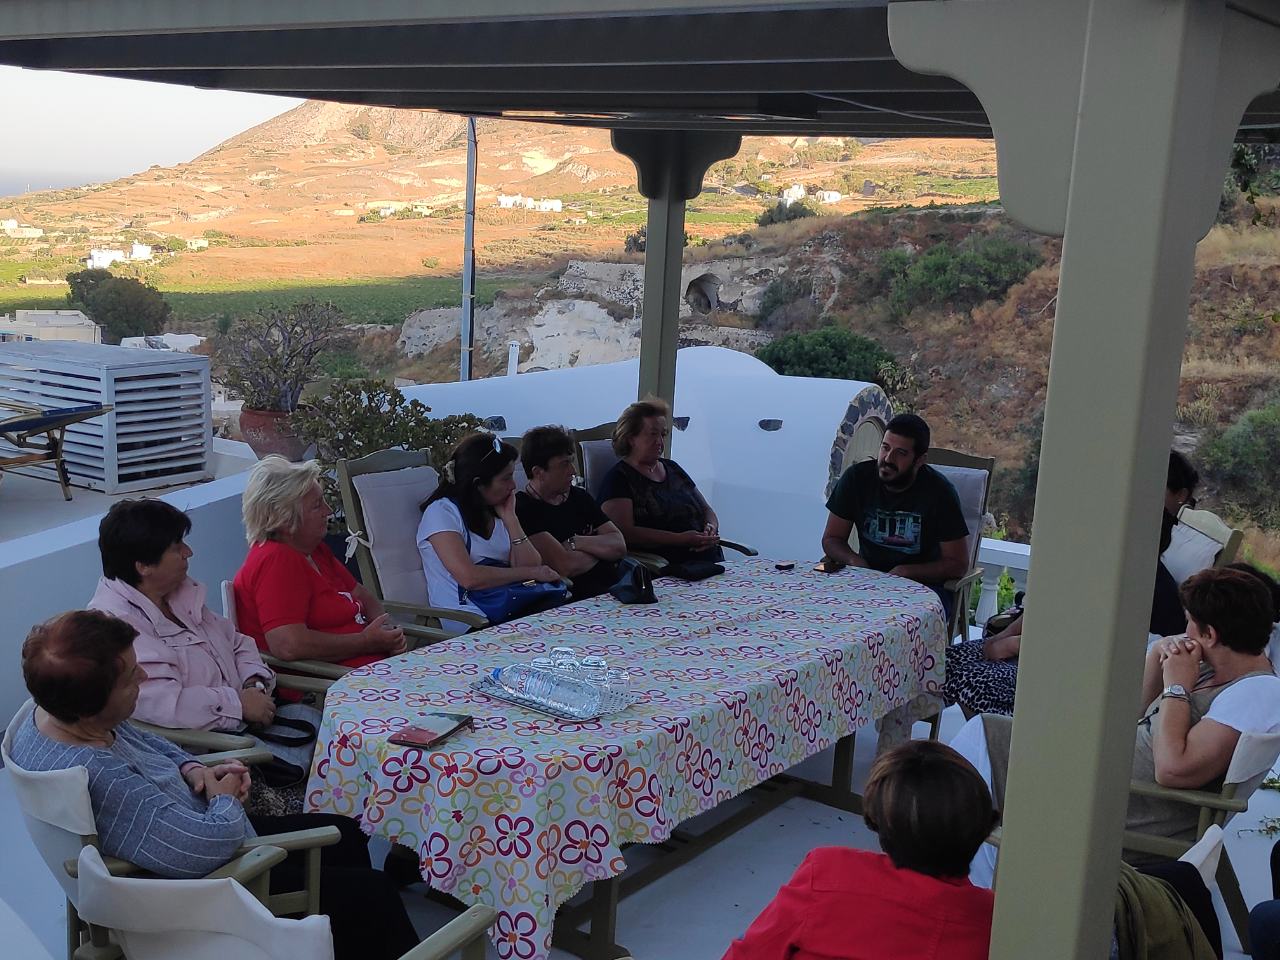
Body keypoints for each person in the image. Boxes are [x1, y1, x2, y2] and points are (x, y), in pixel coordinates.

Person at [9, 610, 419, 960]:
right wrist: (225, 801)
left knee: (344, 832)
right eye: (132, 677)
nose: (145, 676)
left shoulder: (49, 718)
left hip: (188, 833)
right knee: (373, 895)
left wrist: (194, 771)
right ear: (88, 708)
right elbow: (201, 851)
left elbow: (147, 741)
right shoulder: (104, 777)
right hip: (202, 890)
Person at [956, 566, 1280, 888]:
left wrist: (1177, 686)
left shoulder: (1256, 693)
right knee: (982, 738)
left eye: (1190, 623)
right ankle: (975, 877)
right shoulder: (1213, 669)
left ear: (1210, 635)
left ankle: (983, 884)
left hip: (1123, 809)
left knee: (977, 755)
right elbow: (1129, 718)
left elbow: (1173, 770)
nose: (1185, 632)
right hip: (1101, 779)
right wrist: (1158, 657)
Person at [722, 740, 997, 960]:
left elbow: (750, 953)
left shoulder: (828, 872)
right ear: (984, 827)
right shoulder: (993, 920)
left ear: (879, 824)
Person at [946, 503, 1187, 717]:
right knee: (948, 661)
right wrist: (1002, 637)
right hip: (1049, 653)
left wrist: (1013, 645)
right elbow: (1047, 606)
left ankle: (994, 738)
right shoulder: (1104, 569)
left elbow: (1091, 650)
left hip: (1080, 680)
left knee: (970, 680)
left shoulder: (1145, 593)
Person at [89, 498, 277, 732]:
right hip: (212, 747)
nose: (189, 552)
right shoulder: (114, 628)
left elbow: (237, 642)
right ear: (144, 566)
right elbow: (163, 703)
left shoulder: (179, 594)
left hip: (250, 722)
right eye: (177, 547)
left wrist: (253, 684)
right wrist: (238, 705)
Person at [234, 456, 407, 669]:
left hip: (372, 670)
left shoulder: (313, 551)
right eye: (317, 506)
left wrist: (389, 633)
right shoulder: (275, 560)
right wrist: (366, 642)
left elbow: (364, 597)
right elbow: (288, 645)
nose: (329, 511)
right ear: (285, 519)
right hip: (335, 682)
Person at [821, 413, 969, 611]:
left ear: (920, 460)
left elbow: (958, 564)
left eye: (901, 453)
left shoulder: (940, 493)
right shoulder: (856, 479)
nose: (888, 459)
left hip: (922, 589)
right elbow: (832, 539)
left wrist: (907, 572)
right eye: (885, 447)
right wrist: (854, 561)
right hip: (866, 580)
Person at [417, 432, 561, 631]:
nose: (513, 485)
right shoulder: (442, 513)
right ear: (478, 484)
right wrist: (533, 573)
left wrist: (511, 520)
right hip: (472, 619)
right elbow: (469, 578)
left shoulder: (495, 510)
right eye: (506, 478)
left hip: (509, 607)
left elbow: (530, 565)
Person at [598, 397, 723, 565]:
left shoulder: (672, 468)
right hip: (666, 567)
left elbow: (705, 508)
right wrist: (680, 539)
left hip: (711, 562)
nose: (660, 442)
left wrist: (710, 528)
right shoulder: (619, 479)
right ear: (630, 438)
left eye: (663, 434)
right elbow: (623, 533)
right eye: (652, 434)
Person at [515, 425, 627, 600]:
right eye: (564, 464)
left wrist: (575, 542)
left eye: (572, 461)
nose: (573, 471)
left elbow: (619, 546)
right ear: (539, 472)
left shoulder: (580, 497)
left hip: (617, 588)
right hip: (578, 600)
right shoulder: (524, 509)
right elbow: (565, 566)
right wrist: (601, 551)